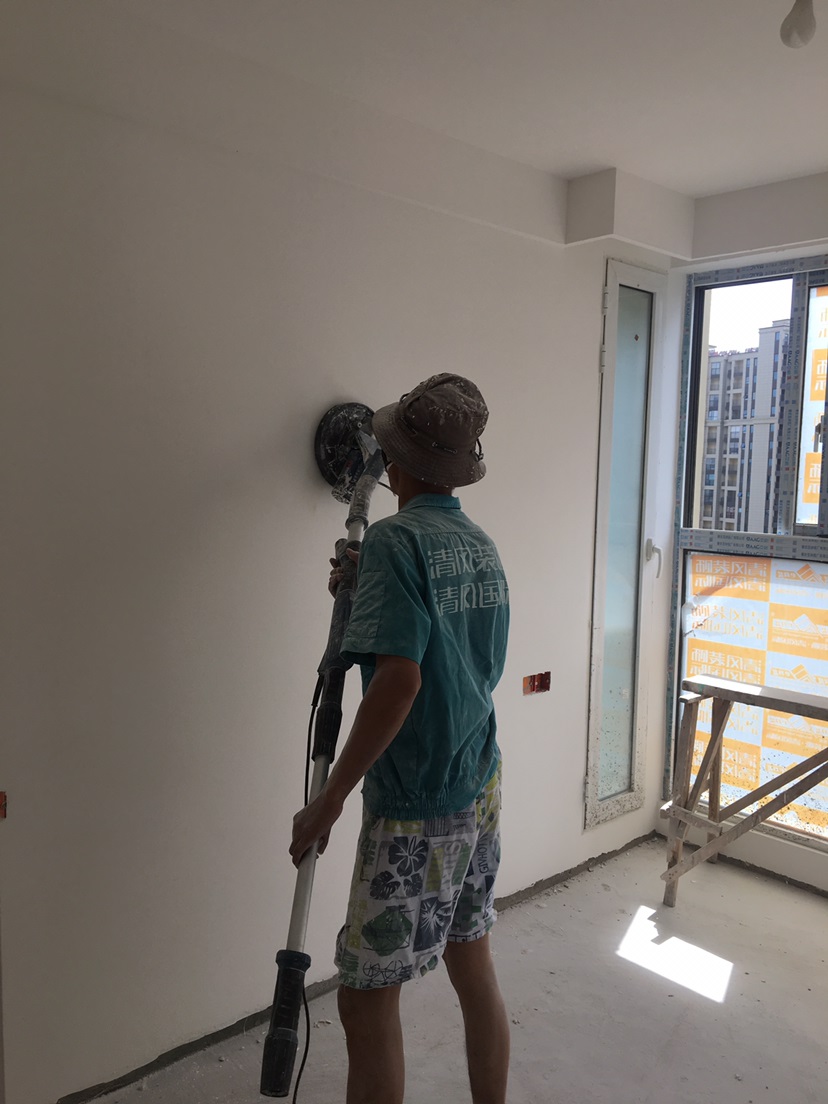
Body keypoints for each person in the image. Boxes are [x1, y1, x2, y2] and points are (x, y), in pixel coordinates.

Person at [290, 373, 510, 1104]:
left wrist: (329, 798)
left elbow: (400, 682)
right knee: (472, 963)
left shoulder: (394, 539)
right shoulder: (479, 545)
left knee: (365, 1000)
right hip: (478, 780)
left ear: (400, 462)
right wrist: (365, 589)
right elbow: (447, 646)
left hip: (417, 806)